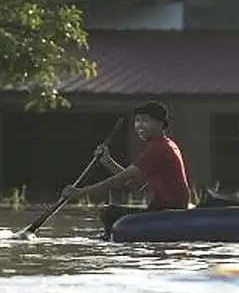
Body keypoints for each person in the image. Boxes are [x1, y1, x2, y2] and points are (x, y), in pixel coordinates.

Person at [59, 100, 192, 237]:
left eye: (145, 120)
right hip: (162, 209)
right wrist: (107, 161)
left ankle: (109, 242)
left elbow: (118, 180)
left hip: (168, 212)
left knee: (109, 213)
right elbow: (135, 184)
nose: (139, 125)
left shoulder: (160, 148)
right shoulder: (165, 145)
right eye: (137, 121)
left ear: (160, 124)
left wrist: (80, 192)